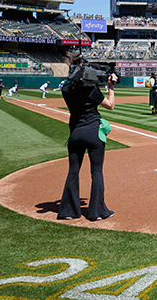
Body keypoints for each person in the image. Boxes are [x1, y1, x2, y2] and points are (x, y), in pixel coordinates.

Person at [57, 55, 117, 221]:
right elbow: (110, 105)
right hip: (93, 133)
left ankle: (68, 211)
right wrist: (110, 87)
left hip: (75, 133)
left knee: (73, 171)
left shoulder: (66, 89)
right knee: (96, 171)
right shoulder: (92, 91)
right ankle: (96, 211)